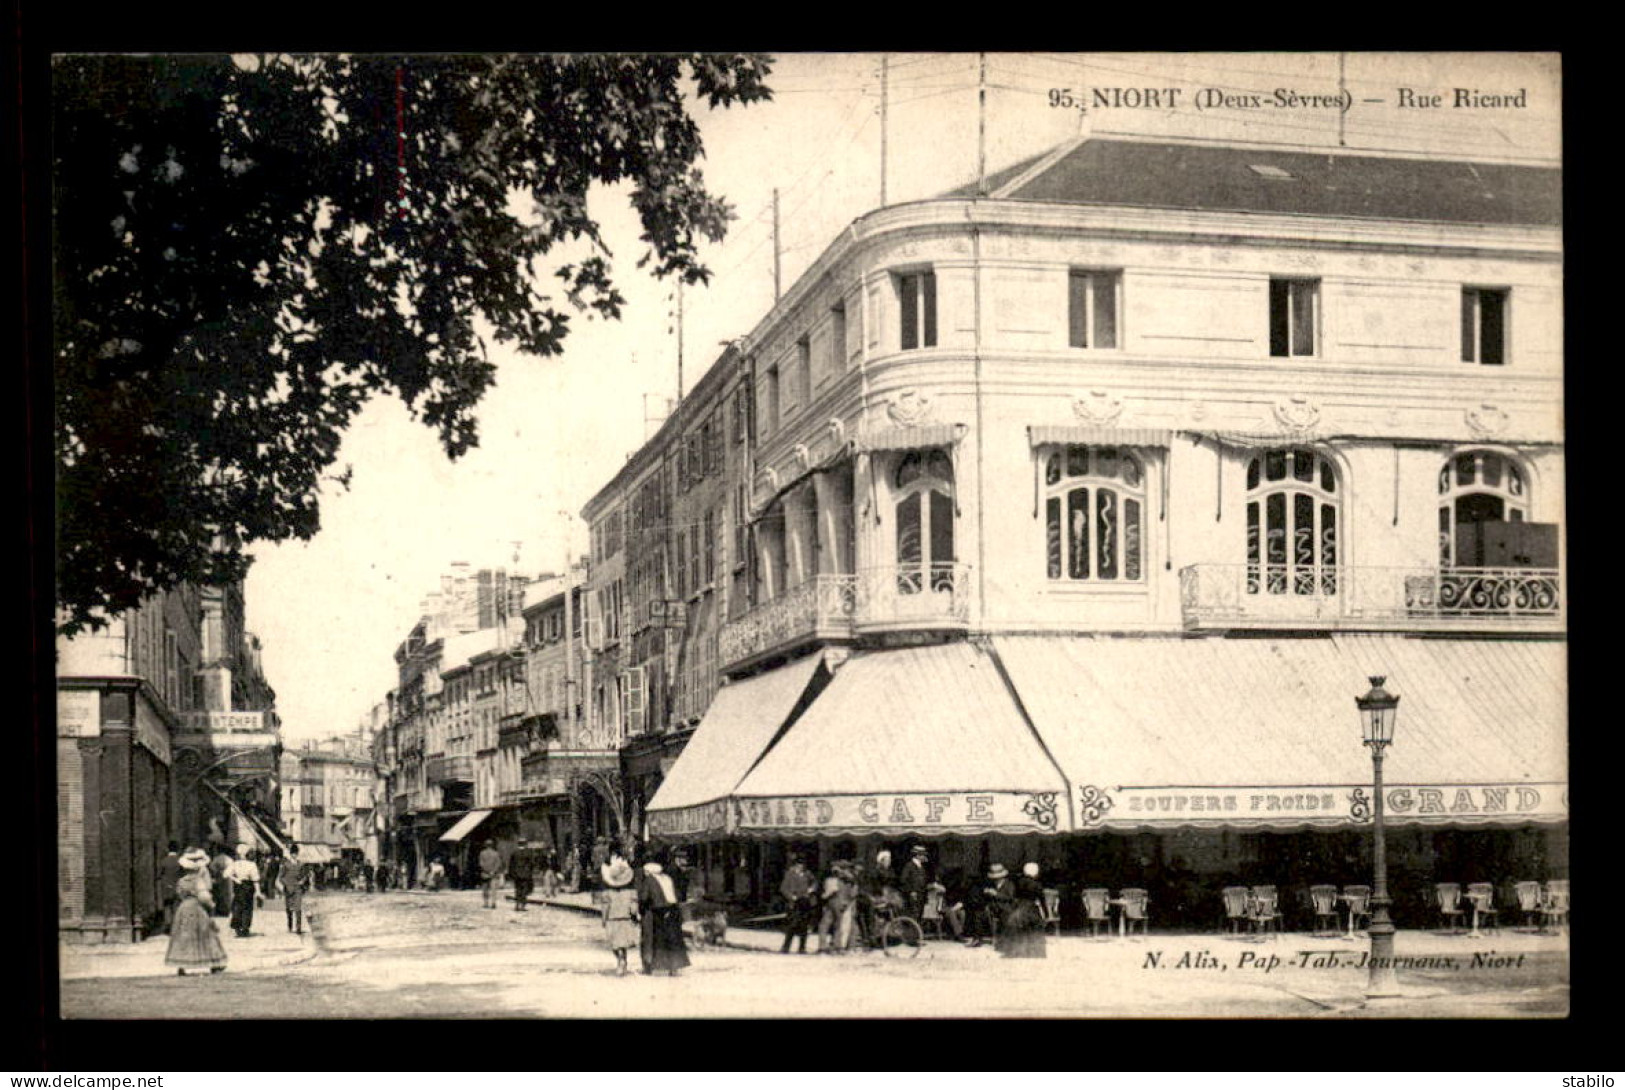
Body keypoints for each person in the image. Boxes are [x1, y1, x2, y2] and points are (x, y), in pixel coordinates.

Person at [166, 847, 227, 975]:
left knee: (184, 936)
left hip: (183, 909)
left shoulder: (181, 881)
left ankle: (182, 963)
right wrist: (211, 904)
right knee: (206, 934)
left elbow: (179, 894)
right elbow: (204, 896)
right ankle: (214, 962)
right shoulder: (198, 880)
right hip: (197, 908)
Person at [637, 860, 690, 977]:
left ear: (649, 872)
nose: (645, 873)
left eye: (645, 871)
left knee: (653, 939)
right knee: (672, 940)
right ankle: (674, 968)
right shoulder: (667, 878)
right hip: (673, 911)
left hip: (656, 912)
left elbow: (644, 897)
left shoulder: (649, 880)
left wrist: (640, 911)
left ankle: (651, 967)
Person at [997, 862, 1047, 958]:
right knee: (1035, 928)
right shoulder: (1037, 885)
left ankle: (1016, 952)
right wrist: (1046, 914)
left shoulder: (1019, 883)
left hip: (1020, 907)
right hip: (1031, 908)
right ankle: (1035, 952)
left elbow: (1014, 896)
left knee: (1017, 928)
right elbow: (1042, 900)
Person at [600, 855, 639, 975]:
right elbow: (633, 908)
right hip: (625, 919)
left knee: (614, 943)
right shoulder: (631, 892)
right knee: (623, 943)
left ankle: (620, 960)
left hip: (612, 919)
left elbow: (605, 908)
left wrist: (604, 919)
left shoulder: (607, 893)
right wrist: (634, 916)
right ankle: (623, 961)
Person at [815, 860, 858, 954]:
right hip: (843, 903)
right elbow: (852, 893)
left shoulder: (834, 879)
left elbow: (830, 892)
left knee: (824, 925)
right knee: (838, 925)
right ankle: (837, 947)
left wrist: (823, 896)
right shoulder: (850, 880)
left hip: (833, 902)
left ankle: (823, 947)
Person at [778, 854, 816, 954]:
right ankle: (786, 947)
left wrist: (812, 889)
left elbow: (815, 883)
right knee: (792, 926)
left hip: (805, 901)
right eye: (799, 864)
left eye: (802, 865)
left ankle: (802, 948)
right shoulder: (789, 874)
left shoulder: (808, 874)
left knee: (804, 926)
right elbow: (783, 888)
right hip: (794, 902)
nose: (801, 867)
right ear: (795, 865)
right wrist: (791, 896)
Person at [226, 843, 261, 938]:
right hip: (248, 886)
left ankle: (237, 927)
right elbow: (255, 879)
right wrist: (258, 892)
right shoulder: (252, 865)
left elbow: (226, 874)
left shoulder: (235, 864)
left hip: (238, 886)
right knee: (247, 908)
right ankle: (245, 928)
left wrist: (235, 879)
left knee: (237, 906)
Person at [280, 844, 310, 935]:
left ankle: (298, 928)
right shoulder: (285, 864)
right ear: (290, 854)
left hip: (297, 888)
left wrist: (302, 881)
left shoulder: (301, 864)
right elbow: (281, 877)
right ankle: (289, 925)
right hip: (288, 889)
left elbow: (305, 875)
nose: (294, 855)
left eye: (296, 853)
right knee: (289, 909)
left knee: (298, 908)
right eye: (293, 853)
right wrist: (286, 884)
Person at [156, 842, 182, 935]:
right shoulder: (180, 861)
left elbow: (159, 875)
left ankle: (169, 926)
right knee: (177, 906)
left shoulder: (164, 861)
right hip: (178, 886)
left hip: (166, 887)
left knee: (167, 906)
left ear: (168, 849)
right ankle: (177, 926)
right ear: (178, 849)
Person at [899, 845, 931, 918]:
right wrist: (911, 891)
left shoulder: (921, 867)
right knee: (913, 915)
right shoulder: (909, 866)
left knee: (920, 915)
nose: (924, 857)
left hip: (921, 896)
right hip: (912, 897)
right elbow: (903, 880)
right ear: (918, 855)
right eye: (923, 855)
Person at [508, 839, 537, 912]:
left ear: (518, 844)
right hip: (526, 874)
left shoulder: (514, 853)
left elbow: (511, 865)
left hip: (516, 874)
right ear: (525, 844)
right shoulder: (528, 853)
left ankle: (517, 905)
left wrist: (511, 874)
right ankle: (523, 905)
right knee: (524, 890)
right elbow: (532, 863)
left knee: (517, 889)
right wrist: (530, 872)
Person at [209, 845, 234, 918]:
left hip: (219, 877)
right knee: (228, 894)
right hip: (228, 878)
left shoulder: (216, 858)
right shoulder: (229, 859)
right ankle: (227, 911)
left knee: (219, 893)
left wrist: (217, 871)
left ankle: (219, 910)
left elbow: (212, 868)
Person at [478, 842, 504, 909]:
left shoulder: (482, 853)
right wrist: (493, 871)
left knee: (485, 889)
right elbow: (498, 864)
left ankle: (486, 903)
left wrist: (487, 871)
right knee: (493, 890)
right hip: (494, 874)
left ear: (485, 845)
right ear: (492, 845)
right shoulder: (496, 853)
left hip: (485, 873)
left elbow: (481, 864)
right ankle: (493, 903)